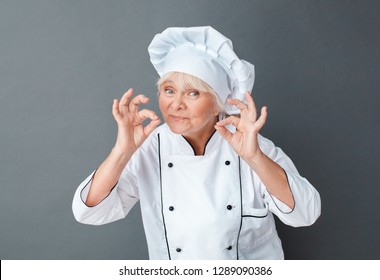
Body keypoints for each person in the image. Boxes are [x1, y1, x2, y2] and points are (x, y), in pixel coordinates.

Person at [72, 26, 321, 260]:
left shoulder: (252, 145)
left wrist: (254, 158)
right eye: (169, 90)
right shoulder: (151, 148)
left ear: (217, 104)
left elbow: (305, 214)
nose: (176, 104)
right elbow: (89, 212)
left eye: (193, 93)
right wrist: (122, 151)